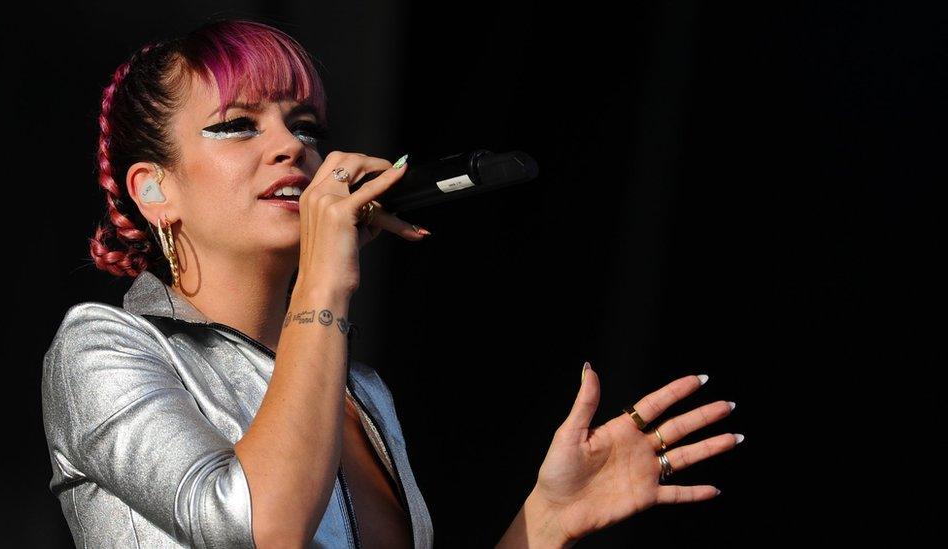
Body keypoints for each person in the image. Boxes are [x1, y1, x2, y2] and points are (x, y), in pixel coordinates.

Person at [41, 17, 744, 549]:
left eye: (305, 124)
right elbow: (259, 529)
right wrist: (324, 275)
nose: (292, 146)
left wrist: (544, 522)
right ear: (154, 190)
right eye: (237, 126)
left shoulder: (358, 392)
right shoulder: (102, 348)